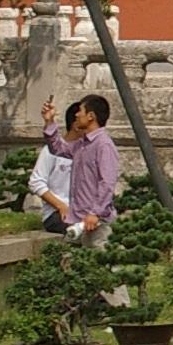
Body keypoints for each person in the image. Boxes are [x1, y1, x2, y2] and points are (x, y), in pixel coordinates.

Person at [37, 93, 119, 242]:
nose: (76, 114)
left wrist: (95, 213)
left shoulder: (103, 145)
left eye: (80, 111)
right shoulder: (82, 144)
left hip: (95, 222)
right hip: (79, 219)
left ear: (91, 116)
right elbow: (58, 149)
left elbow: (107, 182)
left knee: (97, 259)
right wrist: (49, 122)